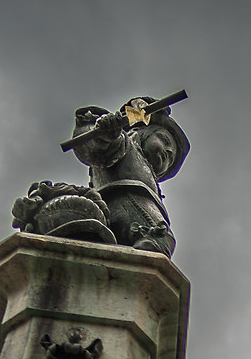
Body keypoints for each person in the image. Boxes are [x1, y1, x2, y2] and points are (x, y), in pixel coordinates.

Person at [60, 95, 189, 256]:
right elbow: (97, 147)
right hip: (130, 215)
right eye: (164, 140)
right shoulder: (126, 144)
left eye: (171, 158)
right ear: (141, 132)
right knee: (161, 241)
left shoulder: (149, 176)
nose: (168, 151)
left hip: (140, 218)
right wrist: (107, 134)